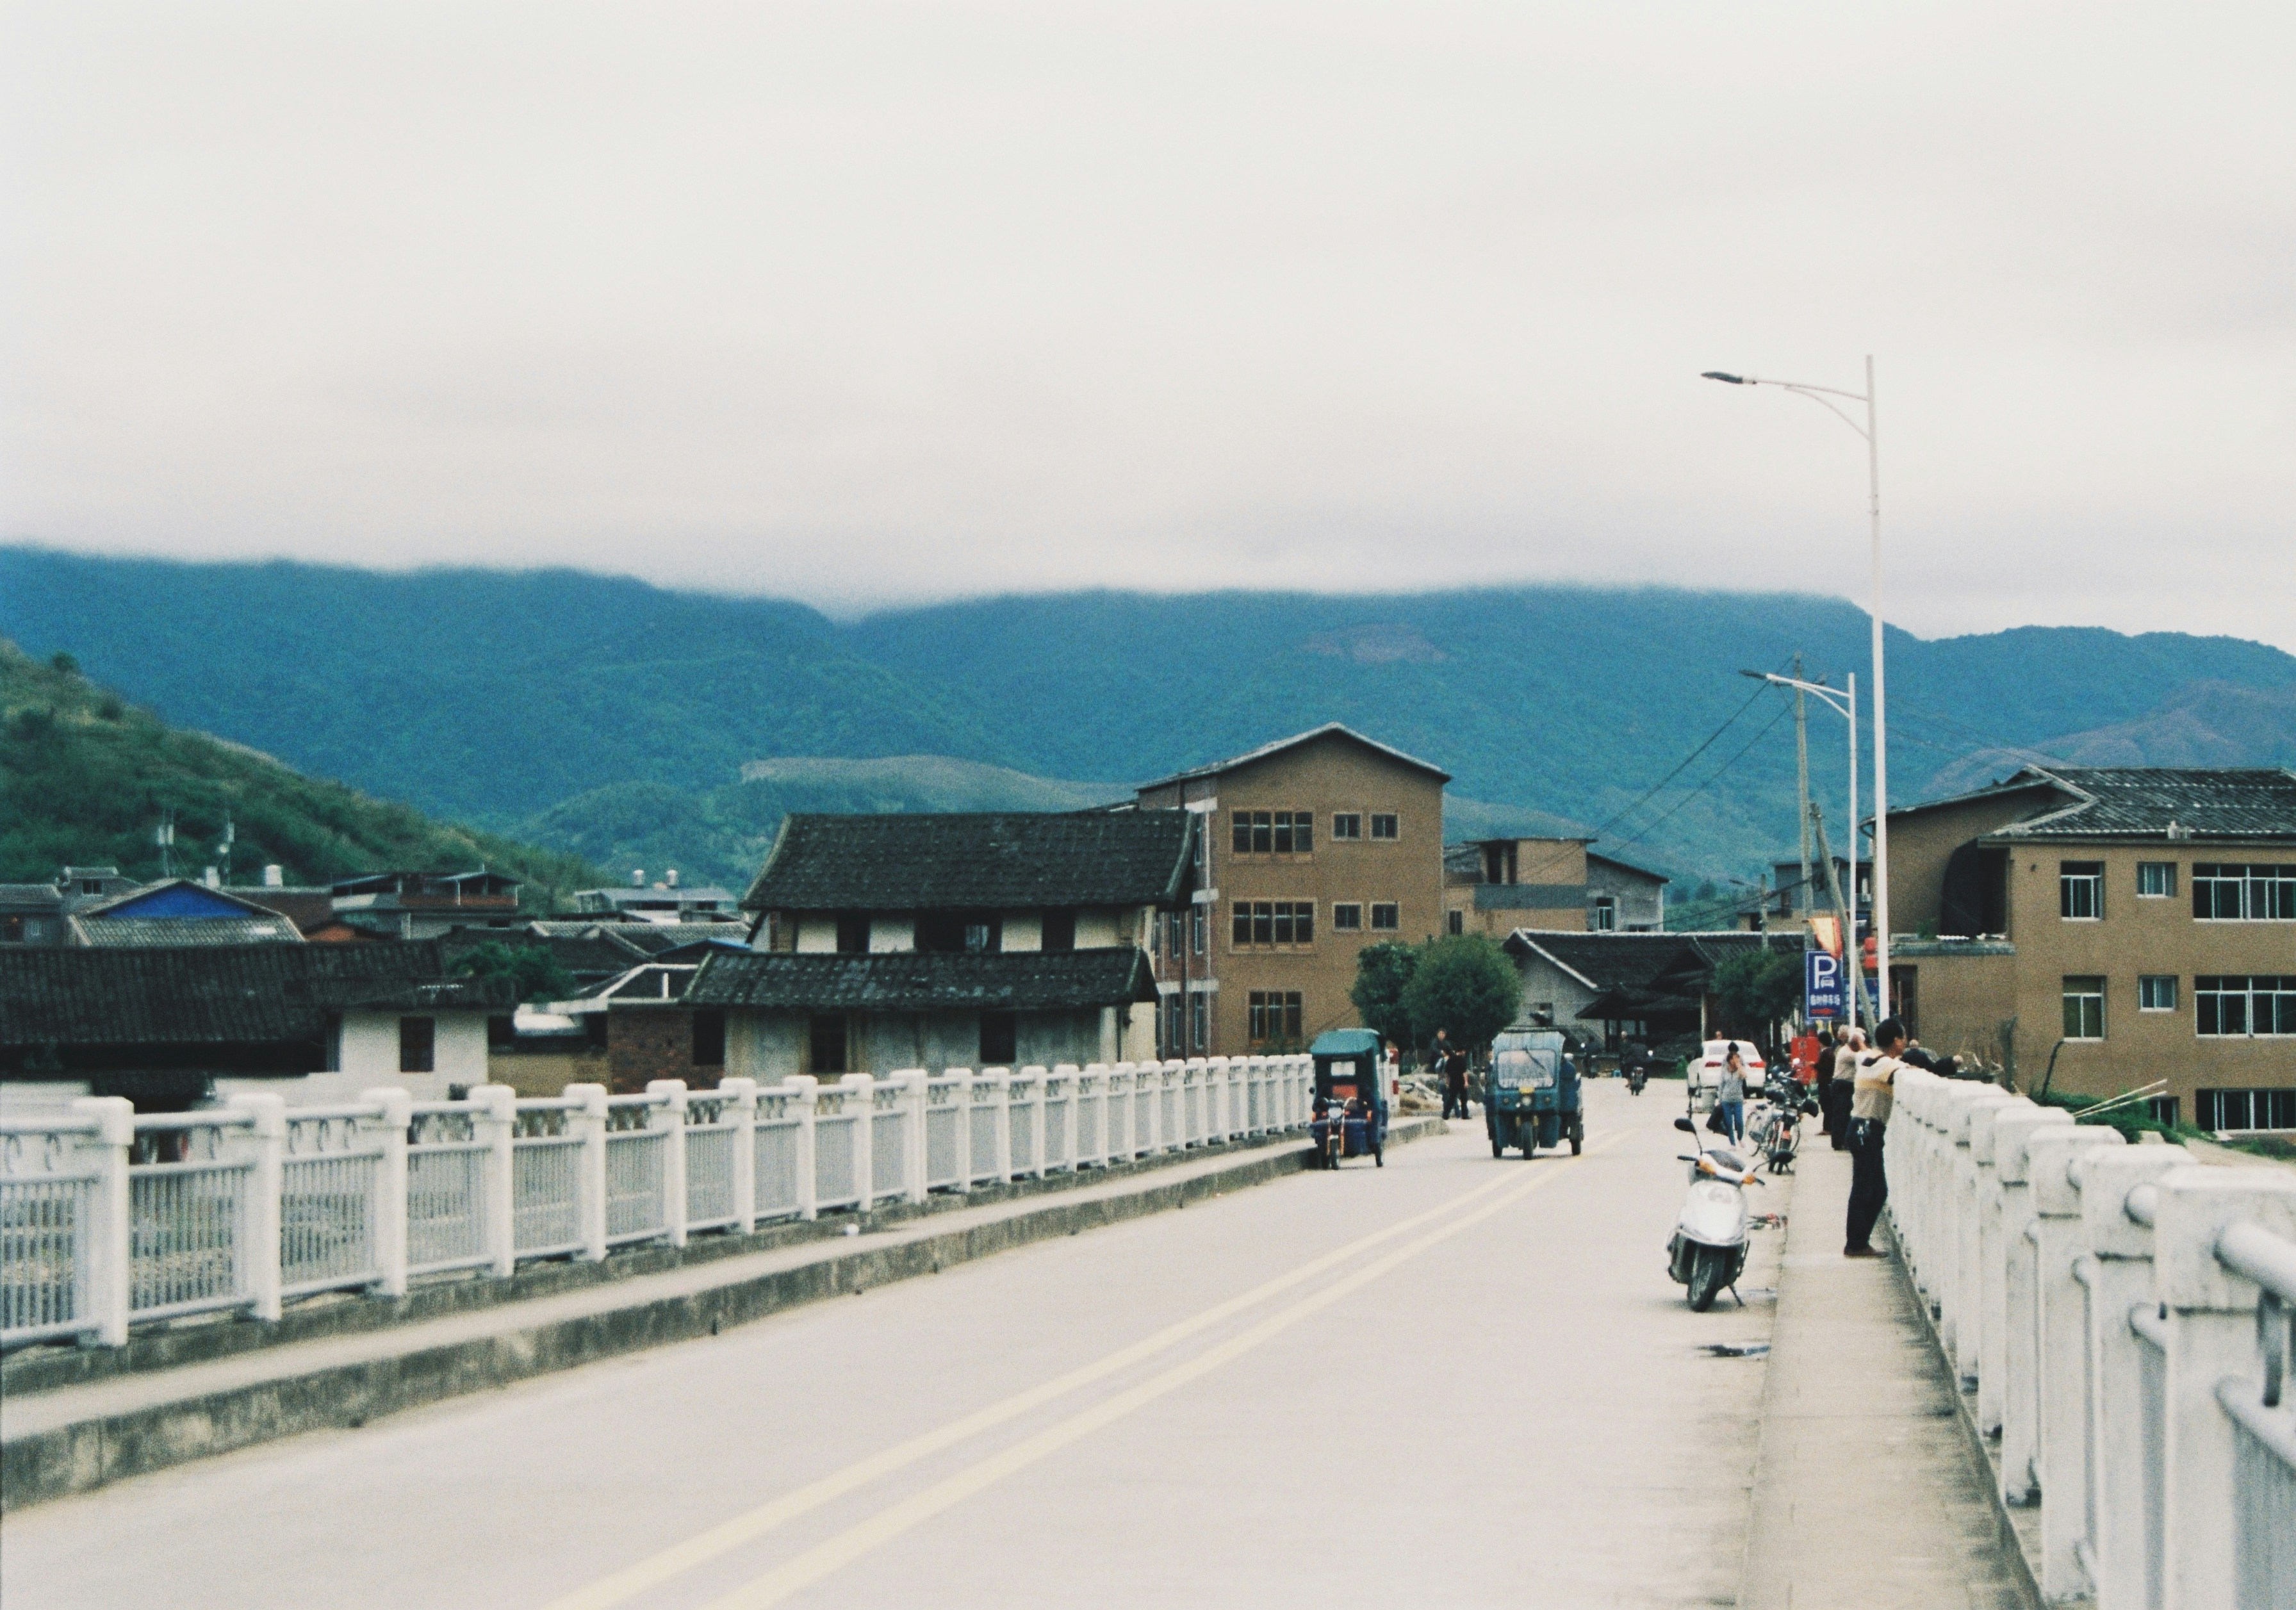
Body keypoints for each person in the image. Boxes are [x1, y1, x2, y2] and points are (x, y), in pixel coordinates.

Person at [1844, 1017, 1907, 1258]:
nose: (1904, 1042)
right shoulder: (1885, 1065)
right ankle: (1856, 1244)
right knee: (1867, 1189)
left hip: (1862, 1128)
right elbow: (1901, 1072)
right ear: (1896, 1041)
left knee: (1873, 1189)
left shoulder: (1871, 1059)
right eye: (1902, 1038)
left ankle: (1858, 1242)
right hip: (1867, 1129)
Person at [1826, 1028, 1863, 1149]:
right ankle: (1838, 1142)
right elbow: (1863, 1058)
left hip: (1844, 1085)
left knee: (1845, 1115)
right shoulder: (1847, 1053)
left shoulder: (1846, 1050)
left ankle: (1842, 1141)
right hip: (1843, 1085)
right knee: (1841, 1115)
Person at [1813, 1025, 1843, 1132]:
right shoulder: (1830, 1052)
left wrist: (1815, 1065)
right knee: (1827, 1106)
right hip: (1827, 1082)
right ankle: (1827, 1127)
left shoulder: (1826, 1053)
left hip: (1825, 1082)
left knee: (1826, 1106)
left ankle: (1827, 1128)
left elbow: (1825, 1068)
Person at [1715, 1043, 1747, 1144]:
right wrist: (1720, 1099)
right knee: (1728, 1122)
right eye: (1734, 1059)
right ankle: (1732, 1143)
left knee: (1739, 1121)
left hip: (1738, 1099)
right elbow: (1721, 1084)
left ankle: (1740, 1138)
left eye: (1737, 1058)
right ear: (1729, 1060)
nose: (1736, 1060)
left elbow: (1745, 1076)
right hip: (1726, 1099)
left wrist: (1739, 1066)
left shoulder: (1740, 1069)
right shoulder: (1725, 1070)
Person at [1438, 1030, 1470, 1121]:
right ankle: (1465, 1115)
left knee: (1451, 1099)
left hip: (1453, 1082)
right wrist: (1466, 1082)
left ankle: (1445, 1115)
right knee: (1464, 1100)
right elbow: (1464, 1072)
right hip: (1461, 1081)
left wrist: (1447, 1083)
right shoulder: (1462, 1060)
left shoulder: (1450, 1060)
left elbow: (1447, 1073)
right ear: (1462, 1051)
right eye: (1464, 1051)